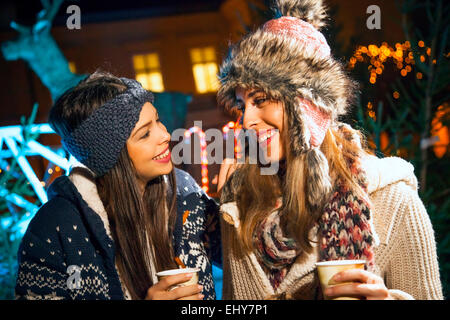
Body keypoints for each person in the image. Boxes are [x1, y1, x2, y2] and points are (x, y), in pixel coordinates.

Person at [216, 0, 443, 300]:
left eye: (260, 100)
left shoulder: (394, 202)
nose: (246, 120)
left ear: (305, 104)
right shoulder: (242, 203)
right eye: (243, 104)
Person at [15, 71, 221, 300]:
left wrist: (246, 194)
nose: (165, 135)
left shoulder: (184, 192)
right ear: (111, 157)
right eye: (144, 134)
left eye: (158, 120)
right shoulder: (55, 227)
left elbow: (248, 250)